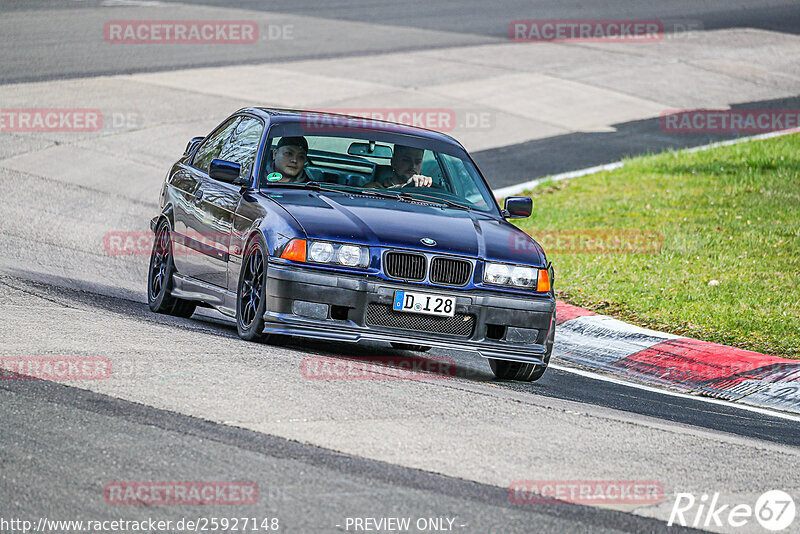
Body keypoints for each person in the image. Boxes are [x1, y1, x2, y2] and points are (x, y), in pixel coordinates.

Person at [365, 145, 434, 188]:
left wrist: (427, 185)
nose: (413, 166)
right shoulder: (376, 187)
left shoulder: (426, 189)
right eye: (406, 160)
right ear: (393, 162)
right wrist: (406, 186)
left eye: (418, 162)